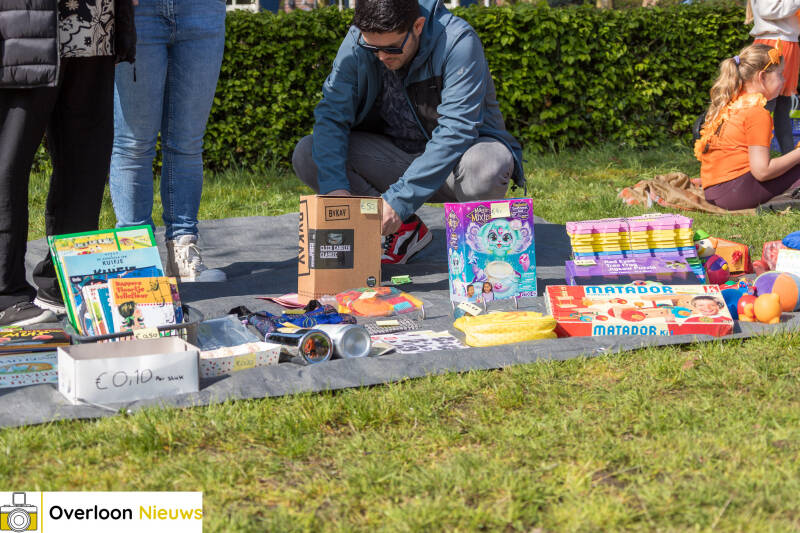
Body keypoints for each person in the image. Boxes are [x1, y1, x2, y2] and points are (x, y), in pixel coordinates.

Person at [292, 0, 524, 264]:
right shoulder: (357, 41)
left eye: (391, 48)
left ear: (418, 26)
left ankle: (478, 242)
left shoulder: (458, 42)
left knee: (488, 166)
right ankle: (404, 230)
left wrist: (399, 200)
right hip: (393, 160)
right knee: (309, 154)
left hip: (455, 167)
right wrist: (335, 189)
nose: (381, 56)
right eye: (373, 48)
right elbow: (332, 114)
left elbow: (456, 131)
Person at [0, 0, 136, 327]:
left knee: (86, 164)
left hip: (94, 29)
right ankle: (5, 296)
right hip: (24, 29)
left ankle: (63, 283)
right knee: (8, 160)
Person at [110, 0, 227, 282]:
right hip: (138, 9)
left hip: (202, 7)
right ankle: (137, 260)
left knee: (187, 143)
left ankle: (183, 252)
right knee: (133, 144)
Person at [695, 44, 800, 211]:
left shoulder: (733, 103)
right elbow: (762, 172)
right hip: (734, 194)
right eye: (780, 74)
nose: (784, 80)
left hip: (714, 191)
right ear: (762, 77)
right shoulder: (756, 113)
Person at [747, 0, 800, 154]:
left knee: (783, 105)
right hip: (775, 43)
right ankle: (753, 159)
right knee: (765, 104)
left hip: (788, 42)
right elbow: (767, 9)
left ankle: (789, 159)